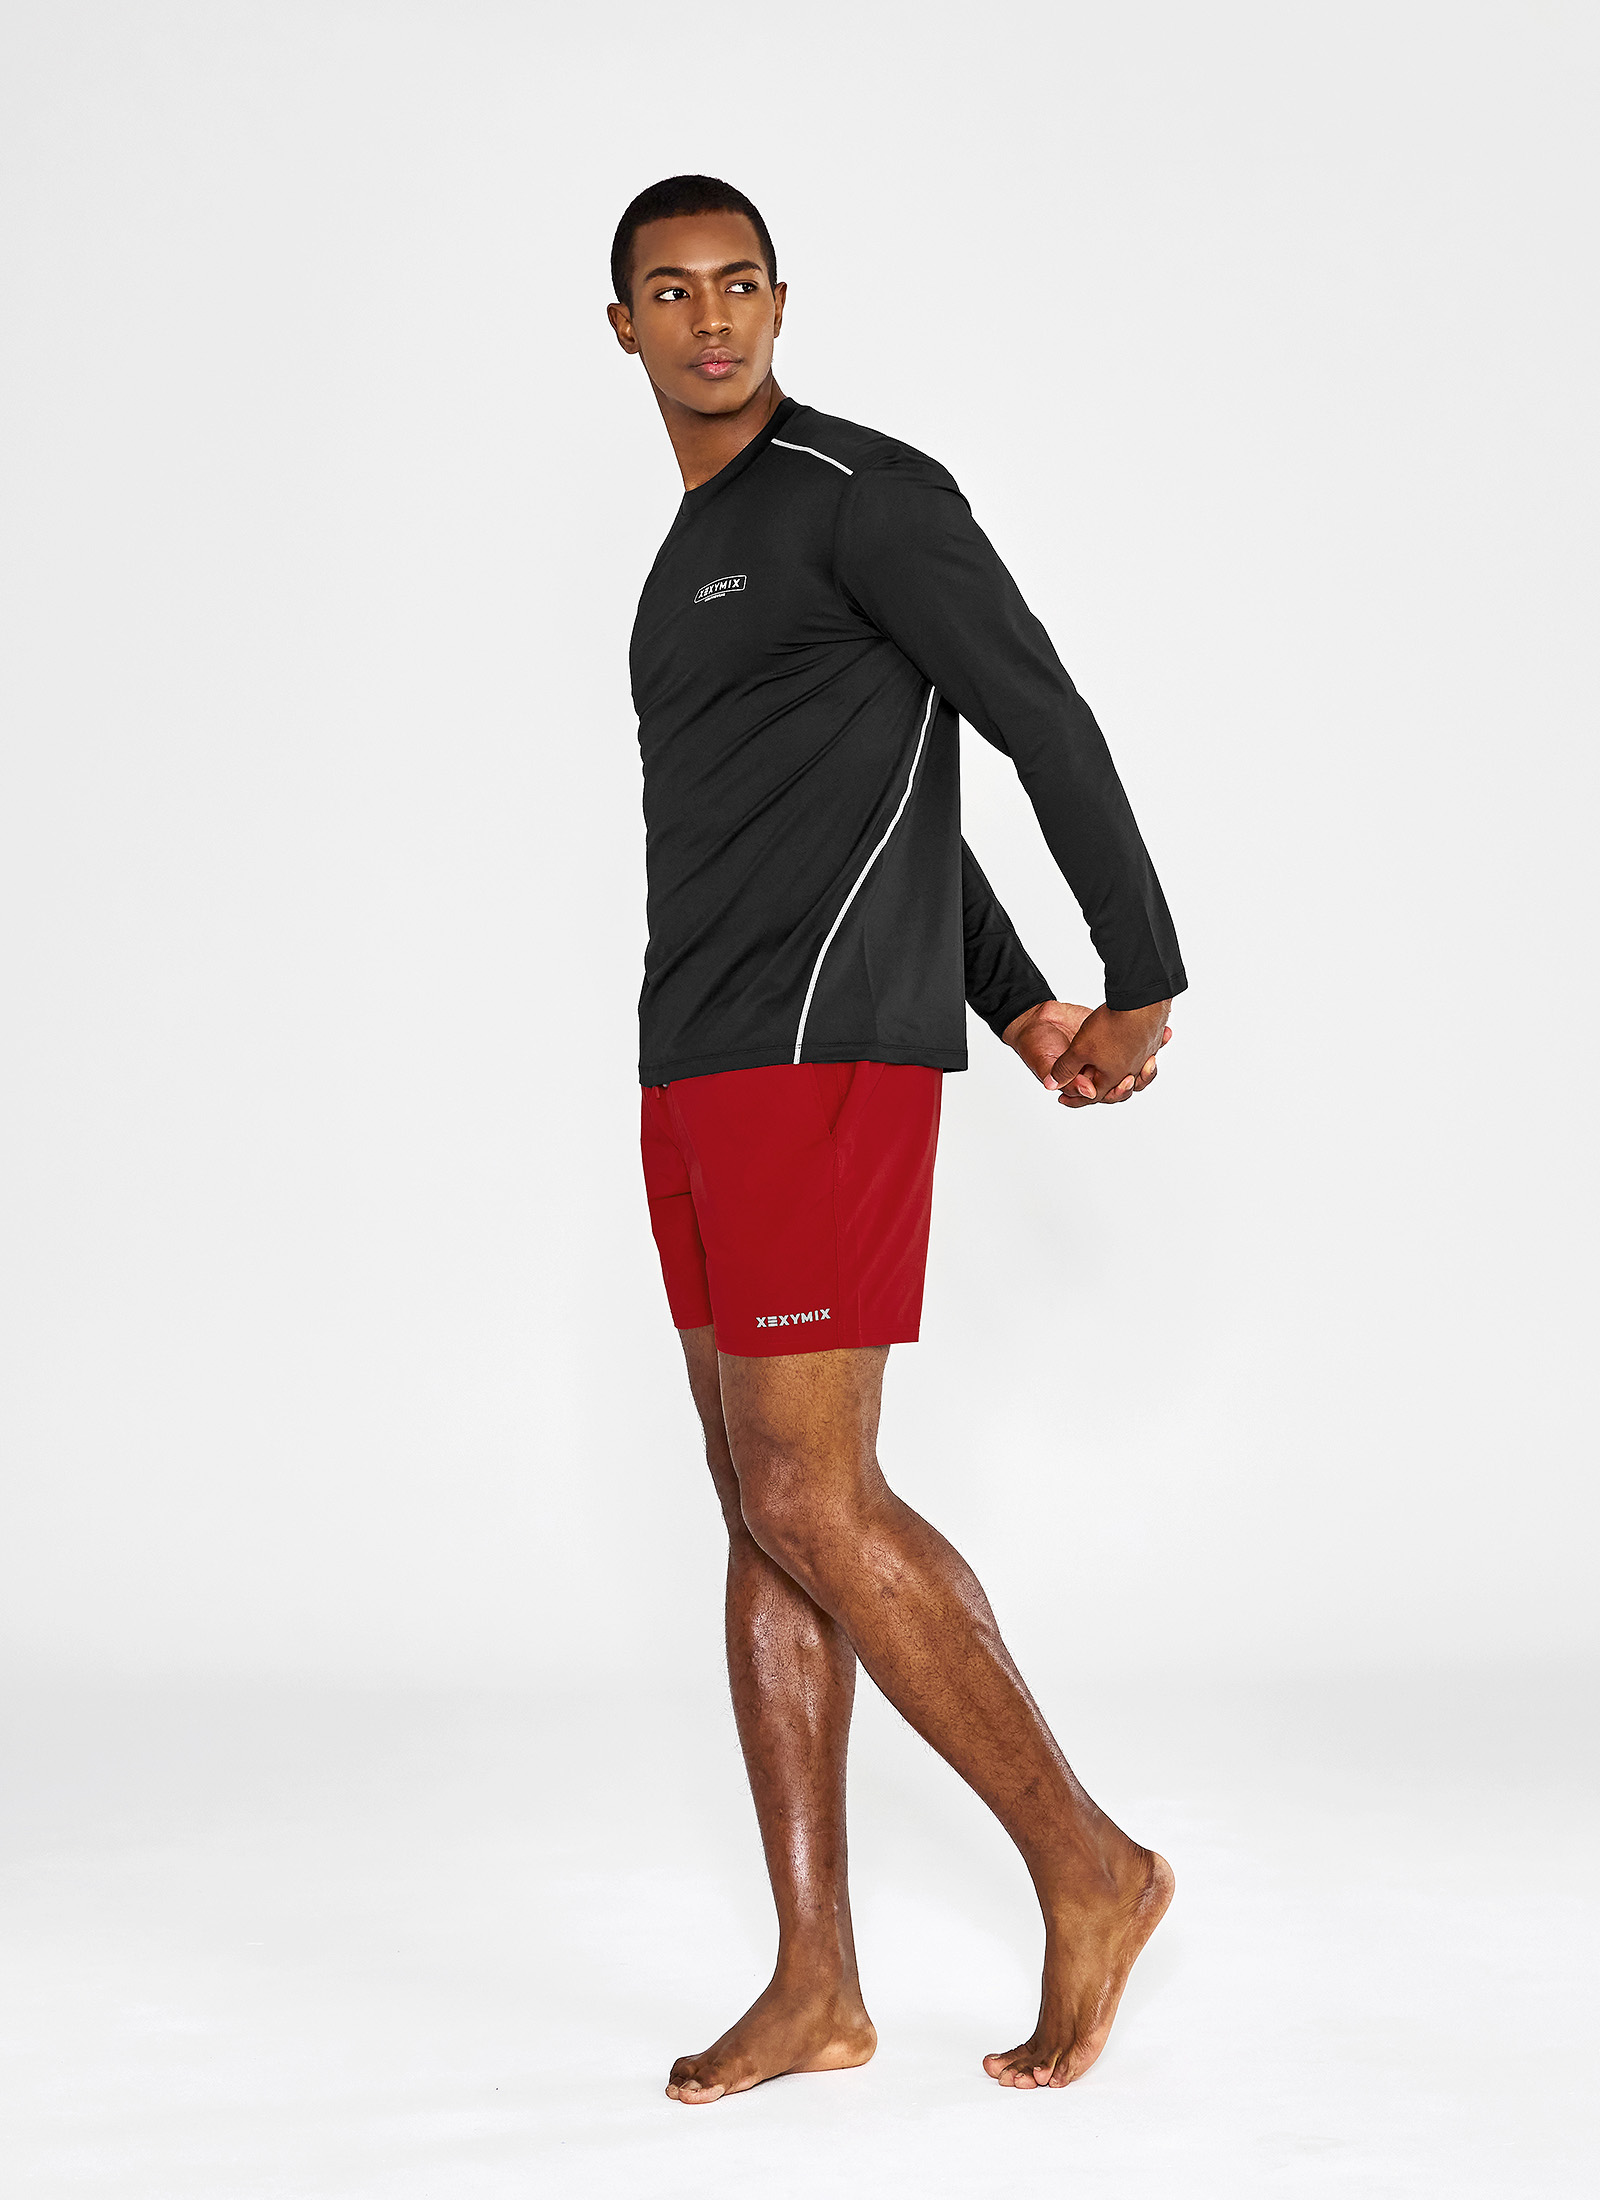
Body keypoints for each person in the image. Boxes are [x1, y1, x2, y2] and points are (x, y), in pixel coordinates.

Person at [606, 174, 1186, 2105]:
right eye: (671, 291)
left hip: (818, 1055)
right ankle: (816, 1985)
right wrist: (1018, 1005)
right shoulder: (683, 559)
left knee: (813, 1490)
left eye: (738, 284)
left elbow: (1034, 717)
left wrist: (1136, 972)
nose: (710, 318)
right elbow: (876, 807)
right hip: (695, 1057)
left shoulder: (864, 492)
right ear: (623, 328)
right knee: (759, 1499)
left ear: (781, 301)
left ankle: (1093, 1869)